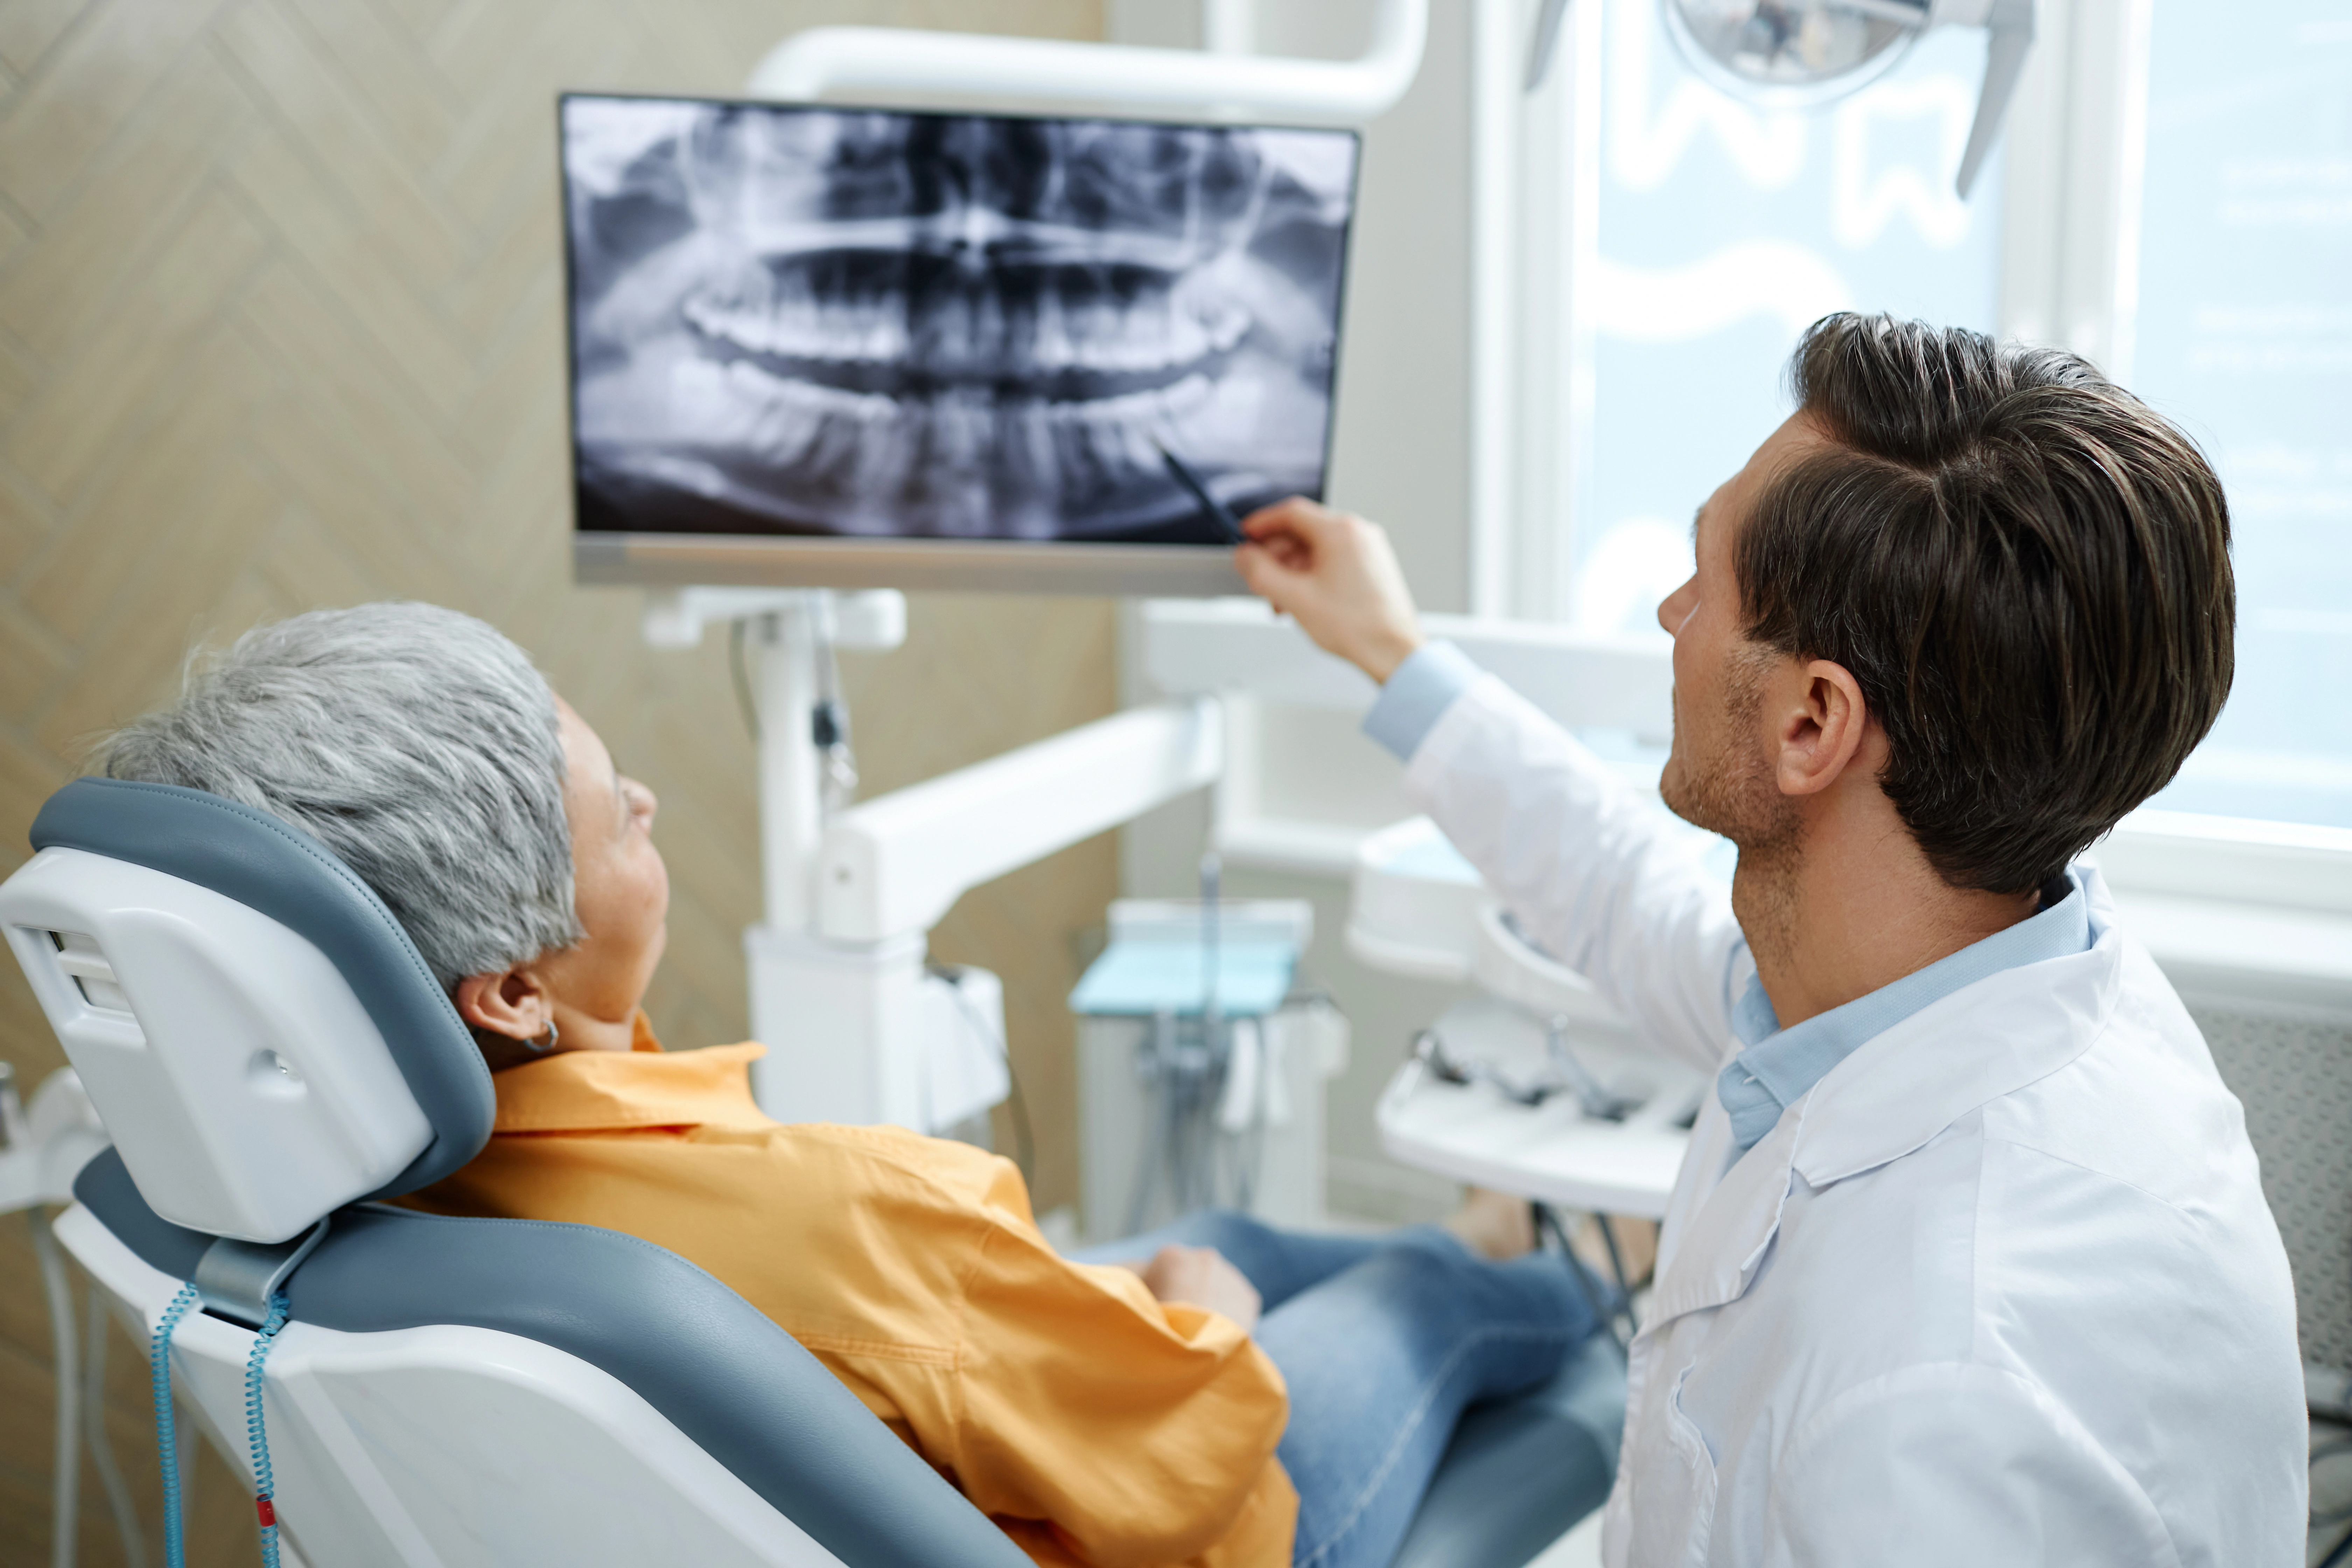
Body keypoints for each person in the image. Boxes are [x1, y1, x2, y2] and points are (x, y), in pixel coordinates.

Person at [94, 599, 1605, 1568]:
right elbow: (1189, 1443)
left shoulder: (343, 1199)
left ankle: (1470, 1241)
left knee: (1228, 1224)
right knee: (1399, 1295)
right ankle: (1571, 1283)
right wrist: (1210, 1314)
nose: (647, 801)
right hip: (1206, 1533)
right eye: (607, 818)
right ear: (510, 989)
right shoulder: (847, 1212)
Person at [1234, 313, 2306, 1564]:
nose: (1670, 611)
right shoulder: (1976, 950)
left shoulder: (1939, 1398)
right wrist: (1389, 651)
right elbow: (1631, 897)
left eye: (1706, 577)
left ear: (1813, 724)